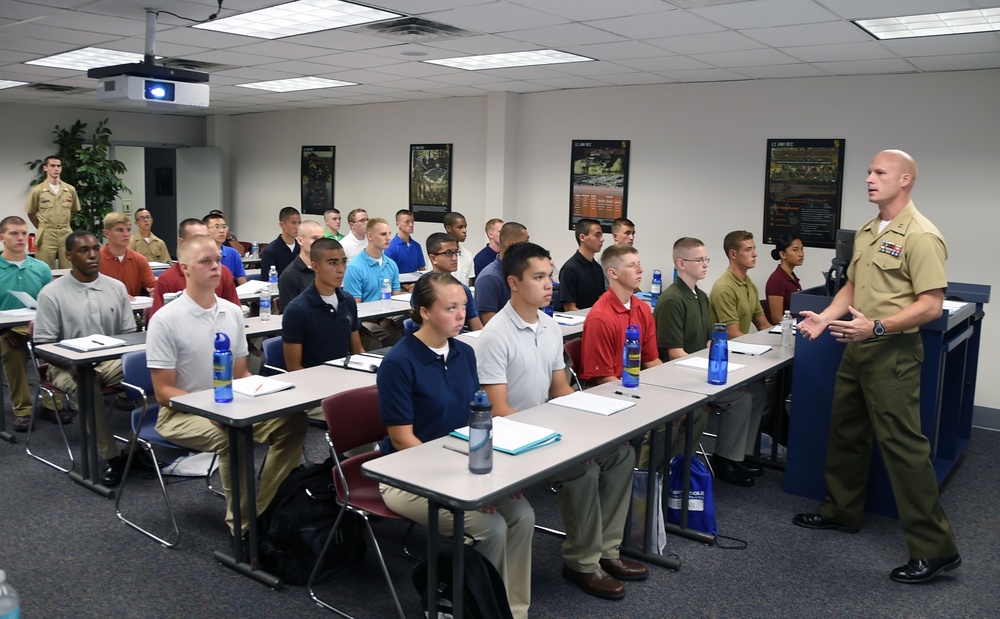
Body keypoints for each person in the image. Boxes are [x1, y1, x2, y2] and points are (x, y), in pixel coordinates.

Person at [793, 150, 960, 584]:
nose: (869, 178)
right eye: (868, 171)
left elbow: (930, 305)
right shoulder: (869, 230)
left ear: (905, 180)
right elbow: (852, 284)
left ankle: (935, 549)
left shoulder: (921, 235)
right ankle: (842, 511)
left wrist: (879, 327)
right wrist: (827, 317)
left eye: (879, 172)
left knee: (904, 449)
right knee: (846, 431)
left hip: (893, 351)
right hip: (857, 346)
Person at [478, 242, 646, 601]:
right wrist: (562, 441)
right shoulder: (495, 336)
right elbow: (499, 410)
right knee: (582, 471)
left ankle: (608, 551)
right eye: (538, 277)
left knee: (620, 455)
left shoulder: (549, 326)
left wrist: (587, 422)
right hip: (513, 438)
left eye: (549, 276)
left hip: (547, 427)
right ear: (513, 283)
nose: (548, 284)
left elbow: (560, 388)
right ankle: (582, 563)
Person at [377, 272, 534, 618]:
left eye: (464, 305)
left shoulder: (464, 352)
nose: (462, 315)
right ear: (424, 312)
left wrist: (495, 479)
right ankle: (481, 610)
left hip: (462, 464)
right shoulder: (399, 363)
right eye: (450, 307)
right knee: (489, 528)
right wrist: (463, 487)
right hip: (408, 476)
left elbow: (477, 421)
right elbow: (405, 441)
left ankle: (512, 609)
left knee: (523, 515)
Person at [147, 234, 307, 540]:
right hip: (180, 413)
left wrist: (270, 390)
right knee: (232, 438)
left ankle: (266, 510)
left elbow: (241, 373)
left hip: (229, 404)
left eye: (218, 260)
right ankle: (244, 528)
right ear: (184, 268)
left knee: (293, 422)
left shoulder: (232, 312)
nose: (215, 267)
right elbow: (163, 392)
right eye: (205, 261)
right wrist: (209, 408)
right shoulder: (165, 320)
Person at [647, 237, 757, 485]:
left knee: (747, 391)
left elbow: (708, 342)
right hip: (678, 379)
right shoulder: (672, 300)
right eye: (699, 260)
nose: (705, 264)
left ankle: (730, 458)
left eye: (706, 259)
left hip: (698, 372)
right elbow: (674, 354)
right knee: (741, 398)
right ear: (681, 264)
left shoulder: (701, 297)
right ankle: (720, 461)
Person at [34, 230, 135, 486]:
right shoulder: (51, 293)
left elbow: (129, 336)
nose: (92, 255)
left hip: (110, 361)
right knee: (86, 383)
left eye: (94, 249)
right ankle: (111, 457)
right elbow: (43, 346)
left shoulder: (116, 287)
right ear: (69, 256)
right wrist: (73, 364)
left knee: (153, 373)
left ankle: (135, 449)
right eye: (83, 250)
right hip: (65, 365)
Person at [708, 230, 770, 481]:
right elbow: (733, 333)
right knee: (745, 397)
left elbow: (763, 323)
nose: (755, 254)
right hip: (723, 359)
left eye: (754, 248)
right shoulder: (724, 287)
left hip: (742, 356)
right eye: (748, 249)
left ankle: (740, 455)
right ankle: (724, 459)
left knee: (761, 391)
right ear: (733, 254)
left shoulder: (749, 284)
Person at [0, 215, 54, 432]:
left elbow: (51, 304)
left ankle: (53, 404)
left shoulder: (40, 267)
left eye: (24, 233)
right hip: (6, 331)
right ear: (2, 237)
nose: (21, 238)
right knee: (13, 352)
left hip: (38, 328)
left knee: (56, 349)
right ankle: (22, 410)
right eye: (14, 233)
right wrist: (2, 331)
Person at [578, 244, 661, 385]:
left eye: (639, 264)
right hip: (610, 391)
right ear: (613, 273)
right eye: (631, 265)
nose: (640, 270)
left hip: (635, 384)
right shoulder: (600, 318)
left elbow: (651, 359)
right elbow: (603, 378)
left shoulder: (642, 309)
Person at [283, 237, 363, 371]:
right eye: (333, 263)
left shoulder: (347, 300)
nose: (341, 269)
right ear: (315, 266)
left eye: (343, 262)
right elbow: (294, 368)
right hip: (313, 384)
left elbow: (357, 350)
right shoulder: (297, 310)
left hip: (345, 376)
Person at [149, 219, 240, 320]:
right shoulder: (167, 280)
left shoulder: (223, 272)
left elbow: (234, 314)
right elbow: (159, 322)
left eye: (207, 237)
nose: (204, 243)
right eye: (196, 239)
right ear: (181, 242)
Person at [25, 155, 80, 269]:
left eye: (59, 166)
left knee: (69, 267)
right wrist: (41, 227)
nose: (56, 169)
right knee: (44, 267)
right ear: (45, 168)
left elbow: (72, 210)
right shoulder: (38, 190)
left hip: (65, 231)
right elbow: (31, 213)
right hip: (46, 233)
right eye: (53, 166)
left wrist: (65, 224)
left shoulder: (70, 190)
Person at [426, 232, 483, 331]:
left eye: (456, 252)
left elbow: (477, 328)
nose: (454, 258)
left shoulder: (462, 289)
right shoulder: (425, 288)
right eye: (448, 253)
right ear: (433, 258)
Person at [474, 222, 528, 325]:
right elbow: (491, 324)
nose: (529, 246)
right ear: (512, 244)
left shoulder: (520, 273)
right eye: (526, 242)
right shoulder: (489, 278)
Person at [98, 212, 156, 298]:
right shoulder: (96, 259)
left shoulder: (139, 259)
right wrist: (119, 297)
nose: (126, 234)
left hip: (134, 308)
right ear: (107, 234)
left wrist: (155, 290)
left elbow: (152, 285)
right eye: (120, 230)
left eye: (128, 230)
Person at [343, 217, 401, 302]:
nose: (388, 238)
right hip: (366, 314)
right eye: (383, 234)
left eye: (389, 233)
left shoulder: (392, 264)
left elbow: (397, 299)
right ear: (370, 236)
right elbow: (355, 307)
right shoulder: (354, 267)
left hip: (390, 313)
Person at [558, 218, 607, 312]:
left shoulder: (597, 268)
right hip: (578, 321)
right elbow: (570, 308)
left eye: (601, 235)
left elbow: (600, 300)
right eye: (597, 235)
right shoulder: (569, 269)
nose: (602, 239)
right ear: (582, 237)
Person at [277, 219, 324, 305]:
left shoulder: (326, 269)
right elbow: (289, 314)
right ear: (300, 241)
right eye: (315, 238)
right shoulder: (289, 276)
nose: (320, 243)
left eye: (322, 239)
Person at [765, 234, 804, 324]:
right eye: (795, 250)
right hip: (785, 331)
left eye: (802, 249)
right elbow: (777, 318)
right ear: (783, 254)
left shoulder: (791, 276)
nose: (801, 254)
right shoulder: (777, 279)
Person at [203, 212, 247, 285]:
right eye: (216, 227)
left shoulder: (233, 253)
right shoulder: (199, 254)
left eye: (224, 227)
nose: (222, 231)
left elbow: (242, 282)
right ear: (205, 230)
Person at [260, 206, 301, 279]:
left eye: (299, 223)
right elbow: (266, 280)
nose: (297, 227)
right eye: (293, 223)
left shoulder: (301, 247)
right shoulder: (270, 251)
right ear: (282, 225)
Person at [383, 209, 426, 274]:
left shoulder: (416, 246)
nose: (411, 225)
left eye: (412, 221)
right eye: (407, 222)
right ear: (398, 224)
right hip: (398, 283)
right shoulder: (391, 247)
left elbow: (421, 268)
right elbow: (388, 272)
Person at [443, 212, 474, 285]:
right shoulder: (439, 255)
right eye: (460, 227)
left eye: (465, 227)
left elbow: (469, 283)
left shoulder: (467, 255)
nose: (464, 231)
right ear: (448, 228)